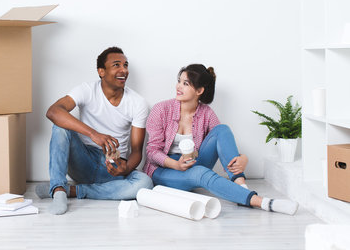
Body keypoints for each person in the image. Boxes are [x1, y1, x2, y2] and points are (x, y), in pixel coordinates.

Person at [143, 64, 298, 215]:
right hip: (164, 170)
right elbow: (152, 152)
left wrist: (243, 158)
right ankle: (263, 202)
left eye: (185, 83)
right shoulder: (161, 109)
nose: (178, 87)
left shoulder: (206, 113)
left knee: (222, 129)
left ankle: (241, 186)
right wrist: (176, 165)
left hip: (193, 162)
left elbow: (223, 144)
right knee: (200, 173)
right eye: (179, 81)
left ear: (199, 90)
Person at [36, 46, 153, 215]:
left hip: (112, 168)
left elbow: (136, 151)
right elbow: (53, 111)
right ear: (101, 71)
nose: (124, 70)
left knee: (145, 183)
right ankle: (59, 189)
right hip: (83, 161)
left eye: (125, 65)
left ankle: (72, 191)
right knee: (60, 126)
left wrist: (126, 168)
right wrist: (94, 134)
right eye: (116, 65)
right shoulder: (86, 90)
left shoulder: (137, 102)